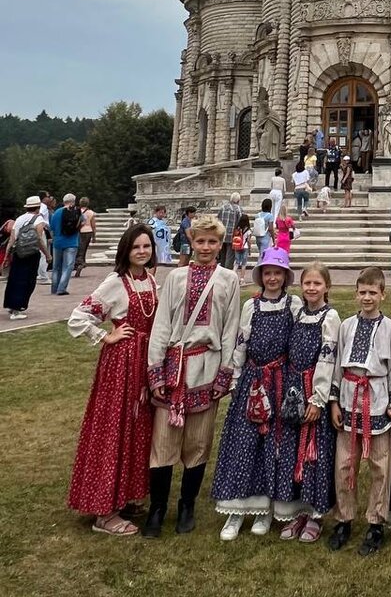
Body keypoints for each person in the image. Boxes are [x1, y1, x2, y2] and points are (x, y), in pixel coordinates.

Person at [143, 215, 241, 537]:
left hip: (207, 366)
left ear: (220, 244)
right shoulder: (176, 278)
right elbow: (161, 324)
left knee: (198, 442)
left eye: (212, 242)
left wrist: (225, 373)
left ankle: (187, 504)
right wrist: (155, 371)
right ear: (191, 241)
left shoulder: (229, 280)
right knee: (163, 442)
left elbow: (230, 329)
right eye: (200, 241)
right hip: (174, 365)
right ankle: (157, 509)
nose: (206, 247)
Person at [66, 225, 159, 535]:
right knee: (115, 428)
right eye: (136, 247)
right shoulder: (115, 282)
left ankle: (126, 496)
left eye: (146, 246)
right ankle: (105, 512)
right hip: (120, 365)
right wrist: (106, 335)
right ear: (126, 251)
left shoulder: (151, 281)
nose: (142, 251)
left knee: (138, 428)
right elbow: (79, 316)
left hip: (144, 363)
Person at [213, 247, 299, 540]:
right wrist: (235, 377)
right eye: (268, 272)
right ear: (261, 275)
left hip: (280, 380)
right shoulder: (251, 306)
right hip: (253, 380)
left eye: (277, 273)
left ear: (285, 276)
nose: (272, 277)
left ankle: (265, 509)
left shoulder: (294, 304)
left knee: (274, 446)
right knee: (244, 442)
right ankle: (236, 510)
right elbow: (241, 342)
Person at [328, 266, 391, 556]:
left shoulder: (390, 329)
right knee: (345, 463)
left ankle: (376, 521)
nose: (367, 297)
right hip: (348, 398)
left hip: (378, 398)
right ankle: (344, 518)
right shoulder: (346, 326)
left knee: (380, 465)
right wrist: (334, 400)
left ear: (383, 294)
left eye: (373, 292)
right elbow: (337, 366)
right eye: (362, 292)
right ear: (355, 293)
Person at [280, 262, 341, 544]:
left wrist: (318, 398)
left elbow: (328, 359)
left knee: (315, 452)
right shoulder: (297, 313)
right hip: (293, 388)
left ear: (327, 287)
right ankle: (297, 510)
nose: (312, 288)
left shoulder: (330, 317)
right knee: (293, 450)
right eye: (307, 283)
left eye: (317, 284)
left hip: (313, 387)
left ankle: (316, 513)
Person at [3, 195, 52, 320]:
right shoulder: (38, 220)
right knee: (27, 281)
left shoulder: (19, 219)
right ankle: (18, 308)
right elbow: (39, 240)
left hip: (18, 253)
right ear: (38, 207)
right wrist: (47, 255)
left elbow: (12, 239)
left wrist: (6, 256)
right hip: (31, 254)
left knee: (15, 279)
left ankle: (11, 305)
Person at [50, 193, 82, 296]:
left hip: (58, 242)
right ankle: (61, 288)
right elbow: (82, 223)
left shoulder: (57, 213)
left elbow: (52, 228)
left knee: (56, 267)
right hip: (72, 242)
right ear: (74, 201)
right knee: (68, 266)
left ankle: (54, 288)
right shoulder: (77, 212)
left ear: (63, 201)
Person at [218, 192, 243, 269]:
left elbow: (218, 219)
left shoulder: (223, 207)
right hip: (232, 235)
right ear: (238, 200)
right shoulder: (238, 209)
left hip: (222, 234)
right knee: (230, 256)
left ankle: (221, 270)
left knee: (223, 255)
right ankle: (226, 272)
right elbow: (240, 223)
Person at [74, 197, 96, 278]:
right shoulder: (91, 213)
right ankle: (81, 262)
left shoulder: (77, 211)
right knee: (84, 249)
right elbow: (93, 225)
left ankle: (79, 263)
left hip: (79, 232)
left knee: (79, 248)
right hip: (88, 231)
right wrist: (94, 236)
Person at [232, 213, 252, 283]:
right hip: (245, 247)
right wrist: (250, 249)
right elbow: (249, 240)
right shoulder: (248, 230)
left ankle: (233, 276)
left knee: (237, 262)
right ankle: (242, 279)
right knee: (244, 264)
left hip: (237, 247)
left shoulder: (237, 229)